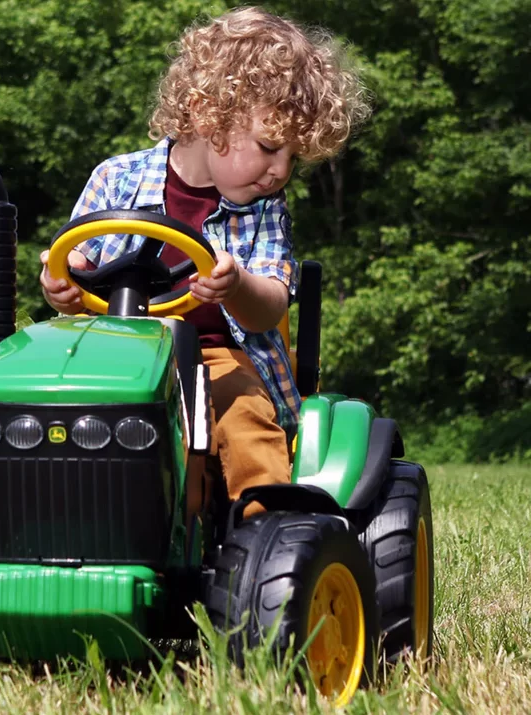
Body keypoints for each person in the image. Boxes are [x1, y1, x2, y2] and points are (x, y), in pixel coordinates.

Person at [39, 6, 371, 514]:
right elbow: (73, 261)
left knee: (245, 422)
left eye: (292, 158)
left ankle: (267, 536)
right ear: (205, 111)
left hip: (216, 360)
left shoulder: (263, 212)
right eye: (268, 146)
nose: (279, 170)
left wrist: (237, 285)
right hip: (112, 354)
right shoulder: (116, 179)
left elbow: (269, 307)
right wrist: (58, 284)